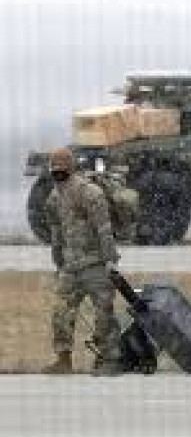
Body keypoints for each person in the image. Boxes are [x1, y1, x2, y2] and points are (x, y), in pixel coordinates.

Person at [42, 147, 123, 376]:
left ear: (71, 168)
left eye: (62, 170)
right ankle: (63, 360)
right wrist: (58, 263)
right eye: (55, 170)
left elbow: (104, 228)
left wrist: (110, 260)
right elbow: (57, 234)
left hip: (96, 264)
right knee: (61, 313)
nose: (58, 174)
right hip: (70, 267)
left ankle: (110, 360)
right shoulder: (53, 198)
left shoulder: (90, 193)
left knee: (104, 315)